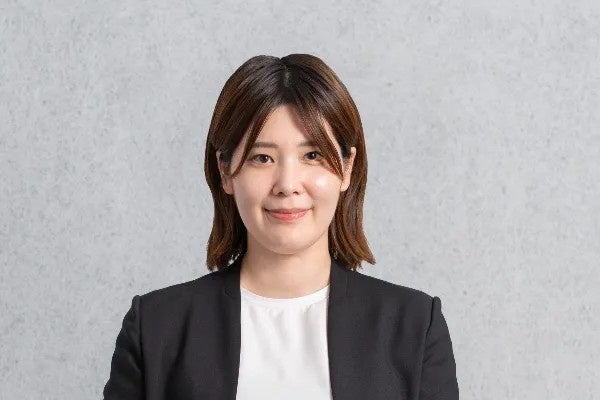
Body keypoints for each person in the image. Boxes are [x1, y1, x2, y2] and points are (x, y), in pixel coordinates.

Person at [103, 53, 459, 400]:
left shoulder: (414, 326)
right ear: (226, 171)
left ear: (347, 168)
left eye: (312, 156)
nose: (287, 185)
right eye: (262, 158)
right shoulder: (156, 327)